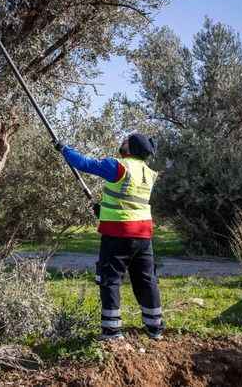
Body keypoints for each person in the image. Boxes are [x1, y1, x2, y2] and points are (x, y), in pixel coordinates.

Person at [54, 132, 165, 340]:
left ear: (130, 149)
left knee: (110, 279)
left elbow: (84, 163)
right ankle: (155, 328)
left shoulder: (119, 165)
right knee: (146, 280)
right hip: (143, 236)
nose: (121, 144)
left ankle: (112, 331)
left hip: (119, 235)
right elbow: (128, 200)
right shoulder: (148, 173)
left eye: (125, 141)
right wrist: (103, 209)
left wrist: (64, 149)